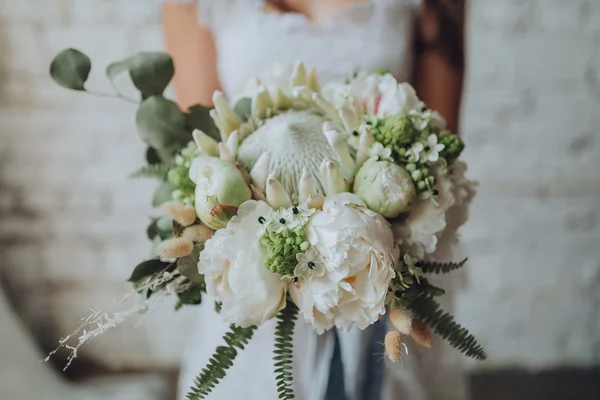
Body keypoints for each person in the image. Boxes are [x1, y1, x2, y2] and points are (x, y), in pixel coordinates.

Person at [161, 1, 466, 399]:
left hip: (381, 276)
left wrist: (361, 252)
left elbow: (440, 150)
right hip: (256, 275)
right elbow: (203, 154)